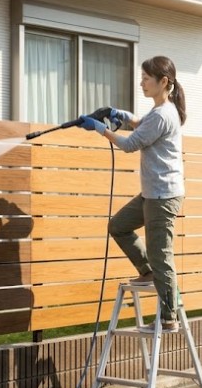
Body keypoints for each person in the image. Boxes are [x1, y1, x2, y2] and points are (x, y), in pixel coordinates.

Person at [78, 55, 186, 333]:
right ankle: (147, 271)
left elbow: (129, 145)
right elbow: (143, 127)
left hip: (162, 196)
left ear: (164, 82)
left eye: (146, 78)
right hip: (152, 194)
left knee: (162, 255)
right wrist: (126, 117)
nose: (142, 83)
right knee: (119, 226)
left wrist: (100, 129)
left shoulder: (163, 113)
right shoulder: (160, 110)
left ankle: (168, 317)